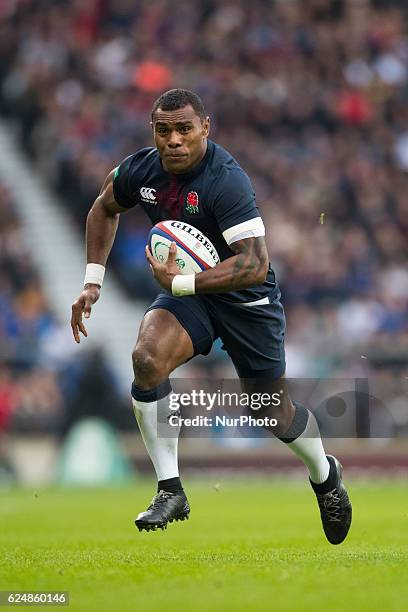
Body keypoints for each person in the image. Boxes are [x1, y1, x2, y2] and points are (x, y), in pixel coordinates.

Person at [71, 89, 352, 544]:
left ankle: (325, 475)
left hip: (246, 300)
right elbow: (104, 207)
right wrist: (92, 281)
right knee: (146, 358)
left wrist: (180, 283)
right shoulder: (140, 170)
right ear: (154, 133)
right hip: (191, 296)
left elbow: (254, 264)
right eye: (164, 131)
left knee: (271, 413)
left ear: (206, 127)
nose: (174, 141)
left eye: (185, 129)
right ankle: (170, 489)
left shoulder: (226, 180)